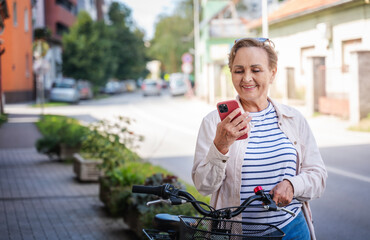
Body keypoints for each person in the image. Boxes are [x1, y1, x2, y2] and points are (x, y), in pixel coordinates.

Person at [192, 38, 327, 240]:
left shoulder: (293, 119)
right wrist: (220, 146)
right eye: (239, 71)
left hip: (292, 229)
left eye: (256, 70)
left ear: (272, 73)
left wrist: (292, 185)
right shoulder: (214, 124)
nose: (247, 78)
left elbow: (318, 176)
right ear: (231, 74)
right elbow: (203, 186)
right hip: (239, 233)